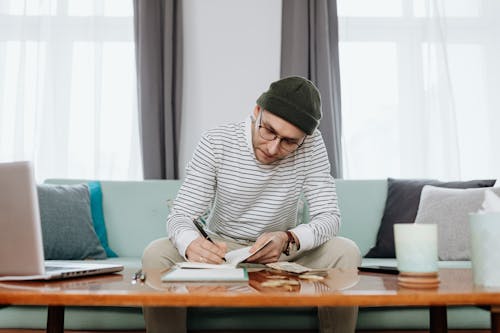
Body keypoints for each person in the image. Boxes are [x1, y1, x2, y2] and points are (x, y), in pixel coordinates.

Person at [142, 76, 361, 333]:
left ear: (303, 139)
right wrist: (191, 244)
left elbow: (329, 217)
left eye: (289, 142)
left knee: (346, 251)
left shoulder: (312, 147)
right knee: (155, 253)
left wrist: (288, 238)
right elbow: (181, 214)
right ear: (257, 112)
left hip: (281, 249)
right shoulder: (216, 141)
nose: (272, 148)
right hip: (222, 248)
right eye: (268, 130)